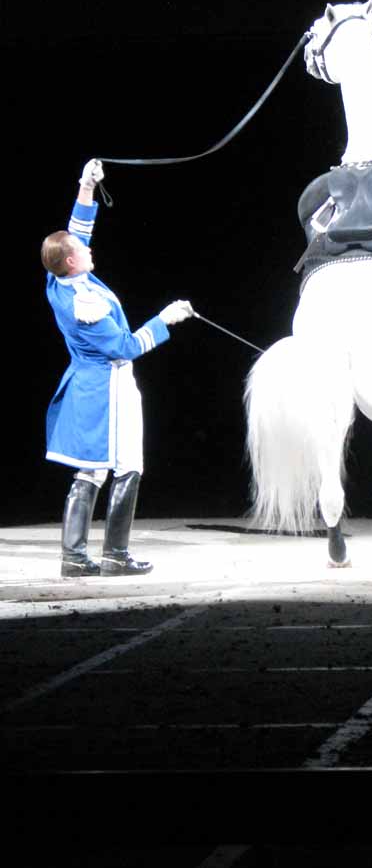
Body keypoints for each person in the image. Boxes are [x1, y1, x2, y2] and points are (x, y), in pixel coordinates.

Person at [42, 159, 194, 577]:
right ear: (71, 262)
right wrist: (166, 320)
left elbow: (79, 228)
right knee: (120, 465)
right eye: (81, 250)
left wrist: (85, 184)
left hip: (98, 384)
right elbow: (126, 347)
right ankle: (101, 555)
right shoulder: (84, 306)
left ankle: (91, 556)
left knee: (100, 468)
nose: (88, 248)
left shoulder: (59, 278)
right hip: (107, 385)